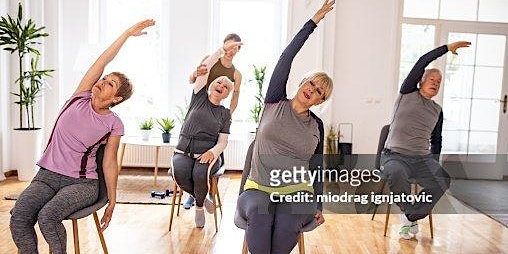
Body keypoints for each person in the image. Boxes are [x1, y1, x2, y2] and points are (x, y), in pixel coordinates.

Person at [9, 19, 155, 253]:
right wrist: (127, 33)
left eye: (110, 84)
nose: (102, 82)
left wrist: (112, 200)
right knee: (19, 217)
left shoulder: (113, 124)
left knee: (48, 217)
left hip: (81, 183)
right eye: (105, 78)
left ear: (116, 98)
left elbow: (109, 163)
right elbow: (103, 60)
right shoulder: (80, 97)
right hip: (46, 175)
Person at [235, 1, 335, 253]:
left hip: (298, 191)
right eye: (311, 83)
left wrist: (319, 204)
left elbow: (316, 166)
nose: (312, 90)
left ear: (320, 101)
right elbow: (286, 56)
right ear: (303, 82)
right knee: (261, 214)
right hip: (258, 188)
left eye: (320, 92)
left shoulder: (317, 126)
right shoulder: (274, 101)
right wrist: (314, 21)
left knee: (287, 221)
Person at [381, 41, 471, 239]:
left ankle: (411, 215)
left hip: (421, 160)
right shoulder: (407, 93)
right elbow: (422, 61)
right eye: (431, 78)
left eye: (439, 82)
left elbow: (436, 140)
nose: (435, 83)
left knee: (443, 178)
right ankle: (410, 216)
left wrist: (434, 165)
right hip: (394, 157)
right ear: (420, 81)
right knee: (396, 172)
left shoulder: (437, 111)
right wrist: (447, 48)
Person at [172, 41, 242, 228]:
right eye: (219, 82)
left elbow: (223, 141)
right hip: (184, 150)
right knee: (179, 174)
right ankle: (198, 196)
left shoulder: (224, 113)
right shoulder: (198, 95)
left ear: (226, 94)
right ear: (211, 85)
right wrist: (222, 50)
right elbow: (206, 67)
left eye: (226, 86)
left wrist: (213, 152)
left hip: (208, 153)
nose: (221, 85)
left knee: (200, 175)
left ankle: (199, 207)